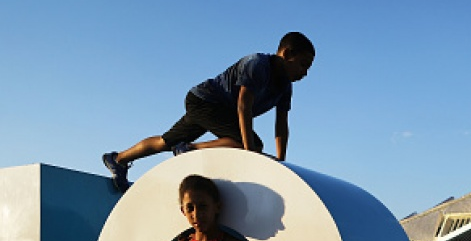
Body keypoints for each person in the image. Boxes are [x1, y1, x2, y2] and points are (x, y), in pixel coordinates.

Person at [103, 32, 315, 192]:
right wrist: (251, 152)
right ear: (286, 54)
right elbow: (244, 107)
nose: (305, 73)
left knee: (165, 142)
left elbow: (281, 123)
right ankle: (189, 149)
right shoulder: (257, 65)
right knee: (250, 143)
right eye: (303, 65)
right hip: (204, 101)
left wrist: (281, 160)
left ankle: (118, 159)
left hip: (215, 109)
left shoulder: (285, 86)